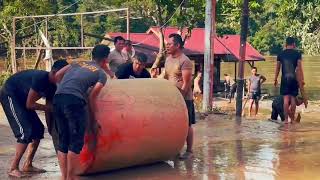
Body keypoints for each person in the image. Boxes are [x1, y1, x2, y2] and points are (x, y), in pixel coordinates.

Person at [0, 60, 69, 178]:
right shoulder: (41, 78)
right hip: (10, 94)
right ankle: (13, 168)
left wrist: (50, 128)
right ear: (54, 72)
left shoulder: (54, 86)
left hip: (24, 99)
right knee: (25, 132)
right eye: (61, 75)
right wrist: (50, 108)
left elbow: (48, 109)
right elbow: (30, 105)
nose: (62, 79)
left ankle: (28, 164)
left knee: (38, 129)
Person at [53, 44, 109, 180]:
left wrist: (63, 88)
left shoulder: (78, 62)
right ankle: (71, 177)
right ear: (106, 59)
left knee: (63, 140)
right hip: (74, 102)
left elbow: (58, 75)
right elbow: (92, 97)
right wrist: (93, 120)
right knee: (75, 141)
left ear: (92, 55)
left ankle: (64, 176)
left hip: (58, 98)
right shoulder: (101, 74)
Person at [151, 33, 195, 160]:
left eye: (170, 44)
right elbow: (166, 76)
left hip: (184, 98)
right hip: (170, 97)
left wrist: (179, 98)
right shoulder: (169, 59)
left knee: (187, 125)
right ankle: (175, 150)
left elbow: (187, 83)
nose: (167, 46)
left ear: (178, 45)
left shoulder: (185, 60)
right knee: (174, 124)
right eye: (167, 44)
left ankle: (190, 151)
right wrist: (155, 78)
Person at [274, 37, 305, 123]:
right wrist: (302, 79)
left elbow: (277, 68)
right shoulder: (297, 54)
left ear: (285, 44)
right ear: (294, 44)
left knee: (286, 99)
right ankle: (292, 120)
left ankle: (286, 120)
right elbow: (299, 68)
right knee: (293, 98)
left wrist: (275, 78)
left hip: (285, 78)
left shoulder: (280, 54)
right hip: (294, 79)